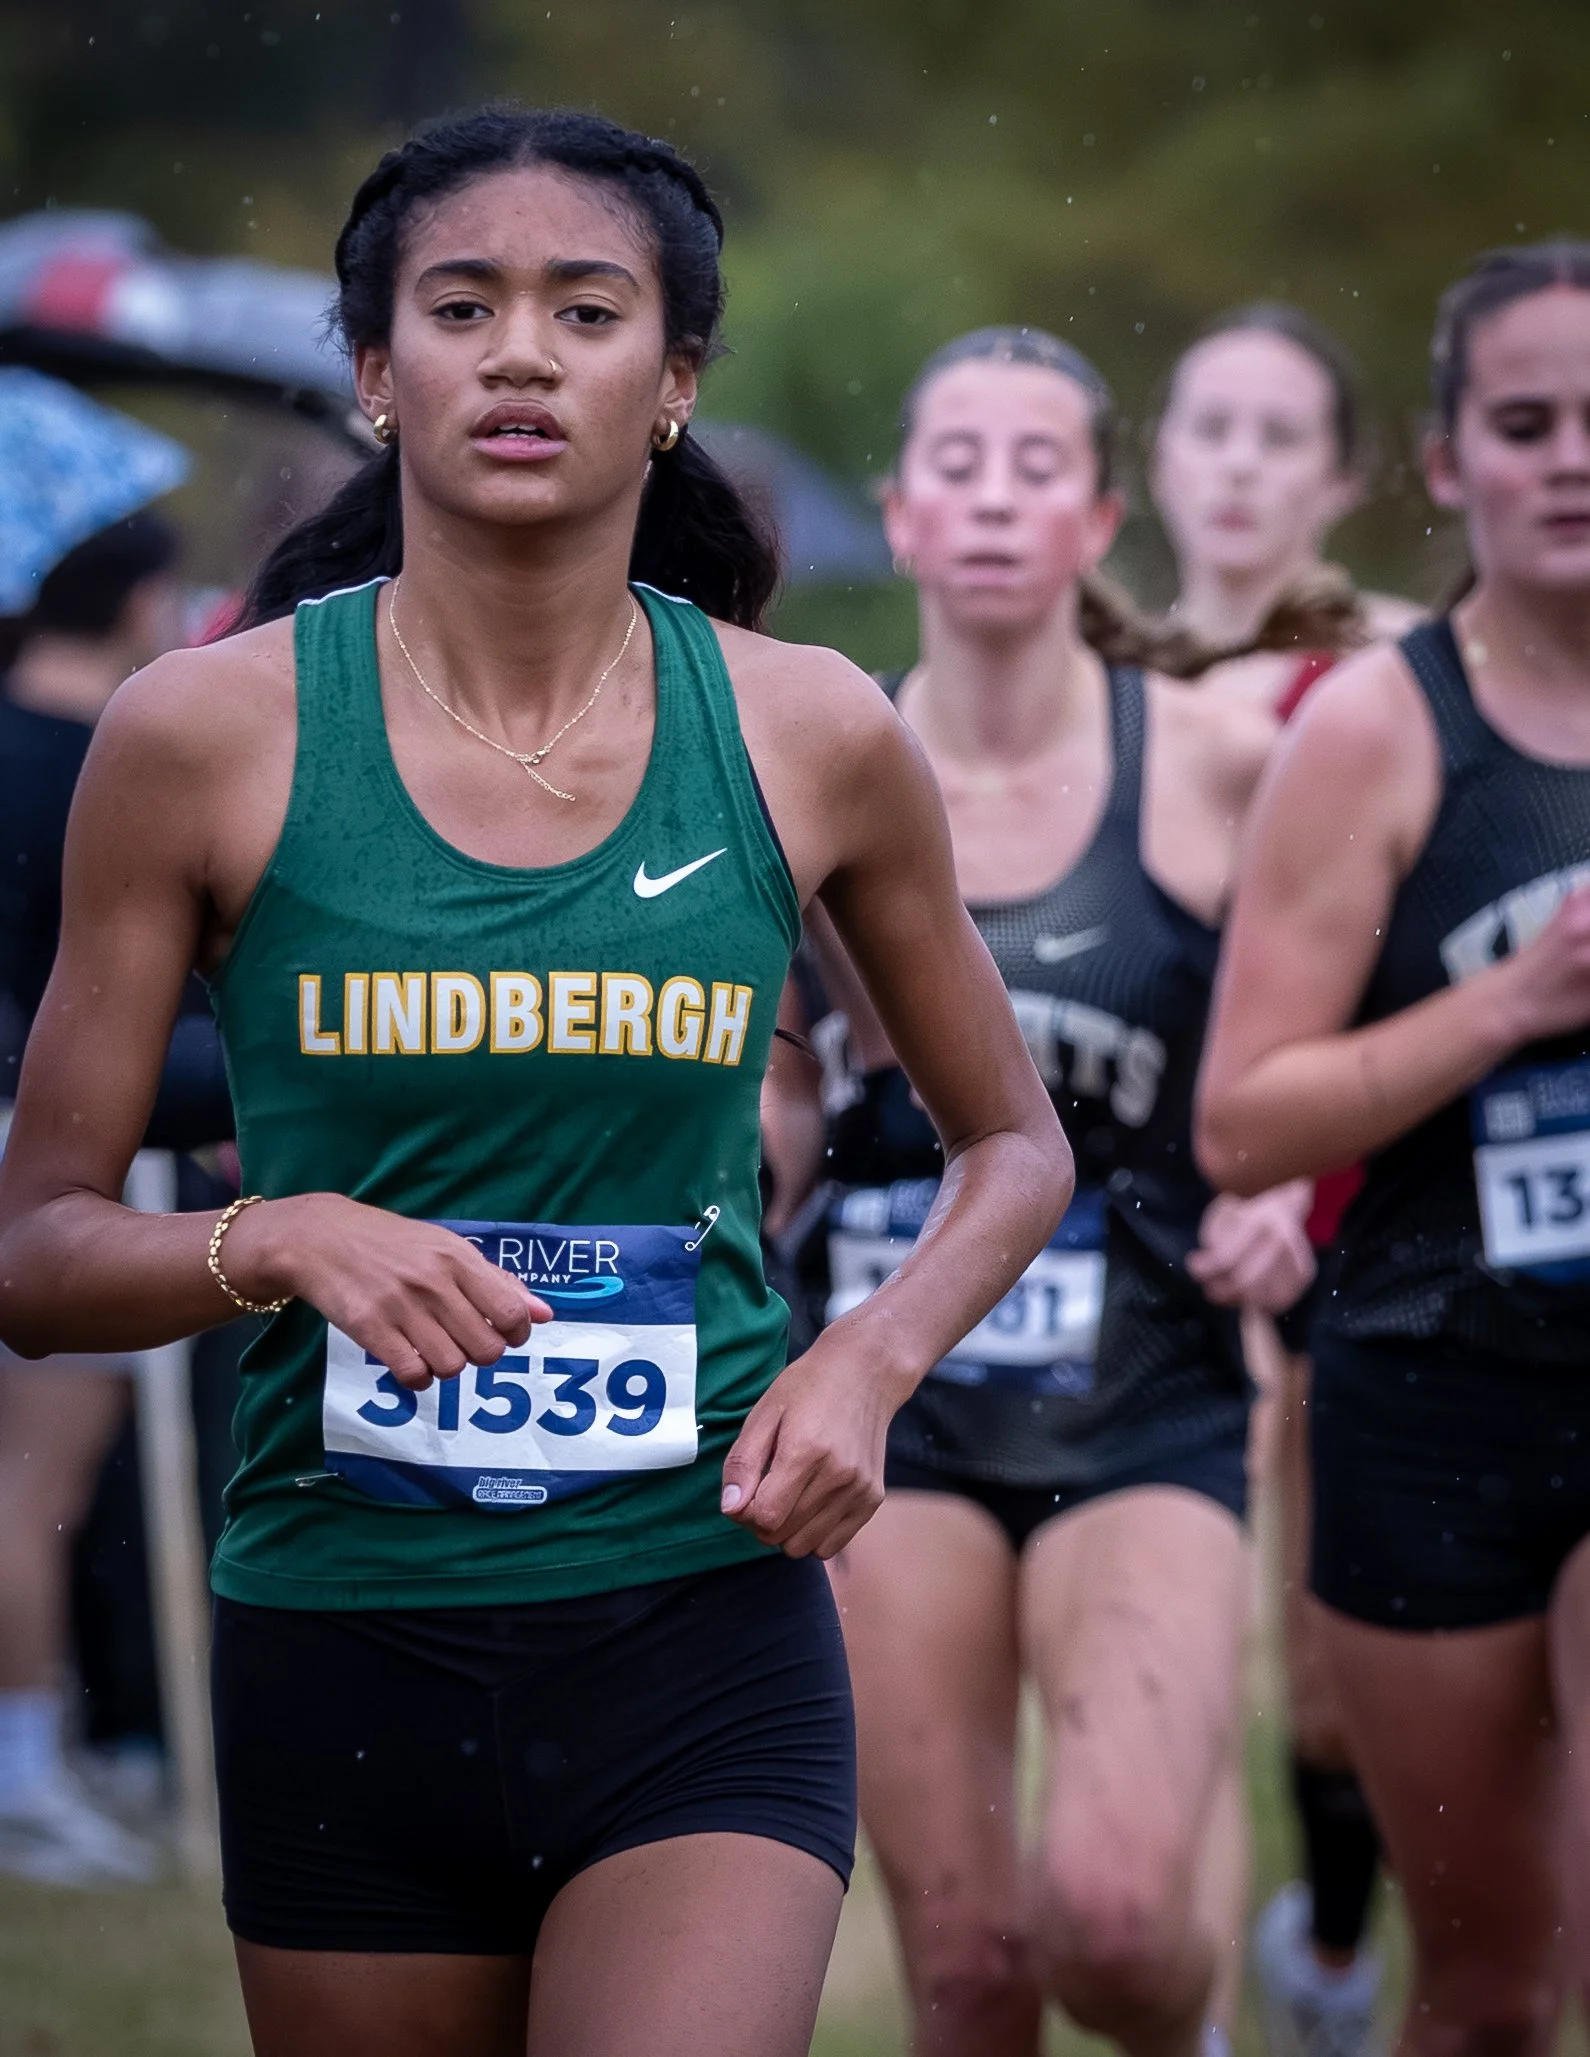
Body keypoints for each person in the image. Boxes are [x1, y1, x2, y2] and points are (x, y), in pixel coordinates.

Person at [0, 108, 1070, 2057]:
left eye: (585, 312)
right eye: (461, 304)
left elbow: (1013, 1146)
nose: (516, 352)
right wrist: (284, 1235)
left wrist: (865, 1357)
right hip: (342, 1626)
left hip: (697, 1614)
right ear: (370, 372)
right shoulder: (199, 737)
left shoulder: (811, 730)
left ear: (671, 387)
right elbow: (43, 1250)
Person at [809, 326, 1315, 2057]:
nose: (995, 500)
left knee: (1106, 1921)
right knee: (965, 1975)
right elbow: (766, 1069)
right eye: (956, 463)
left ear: (1100, 518)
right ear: (897, 515)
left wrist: (1302, 1191)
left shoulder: (1218, 758)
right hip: (893, 1404)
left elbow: (1343, 1006)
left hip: (1151, 1402)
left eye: (1038, 467)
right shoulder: (813, 755)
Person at [1197, 240, 1590, 2057]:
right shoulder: (1373, 728)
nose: (1571, 456)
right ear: (1446, 463)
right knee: (1493, 1995)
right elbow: (1245, 1111)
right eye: (1524, 424)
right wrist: (1509, 1005)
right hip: (1429, 1398)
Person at [1149, 305, 1423, 2056]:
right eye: (1207, 427)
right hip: (1127, 1222)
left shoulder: (1406, 674)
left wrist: (1296, 1163)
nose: (1238, 465)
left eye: (1276, 435)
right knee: (1170, 1668)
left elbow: (1430, 981)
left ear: (1340, 473)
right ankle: (1185, 2005)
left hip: (1352, 1213)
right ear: (1158, 458)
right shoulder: (1096, 674)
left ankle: (1327, 1949)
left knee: (1332, 1677)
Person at [0, 442, 194, 1885]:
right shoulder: (117, 764)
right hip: (60, 1139)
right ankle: (29, 1766)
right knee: (33, 1482)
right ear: (134, 596)